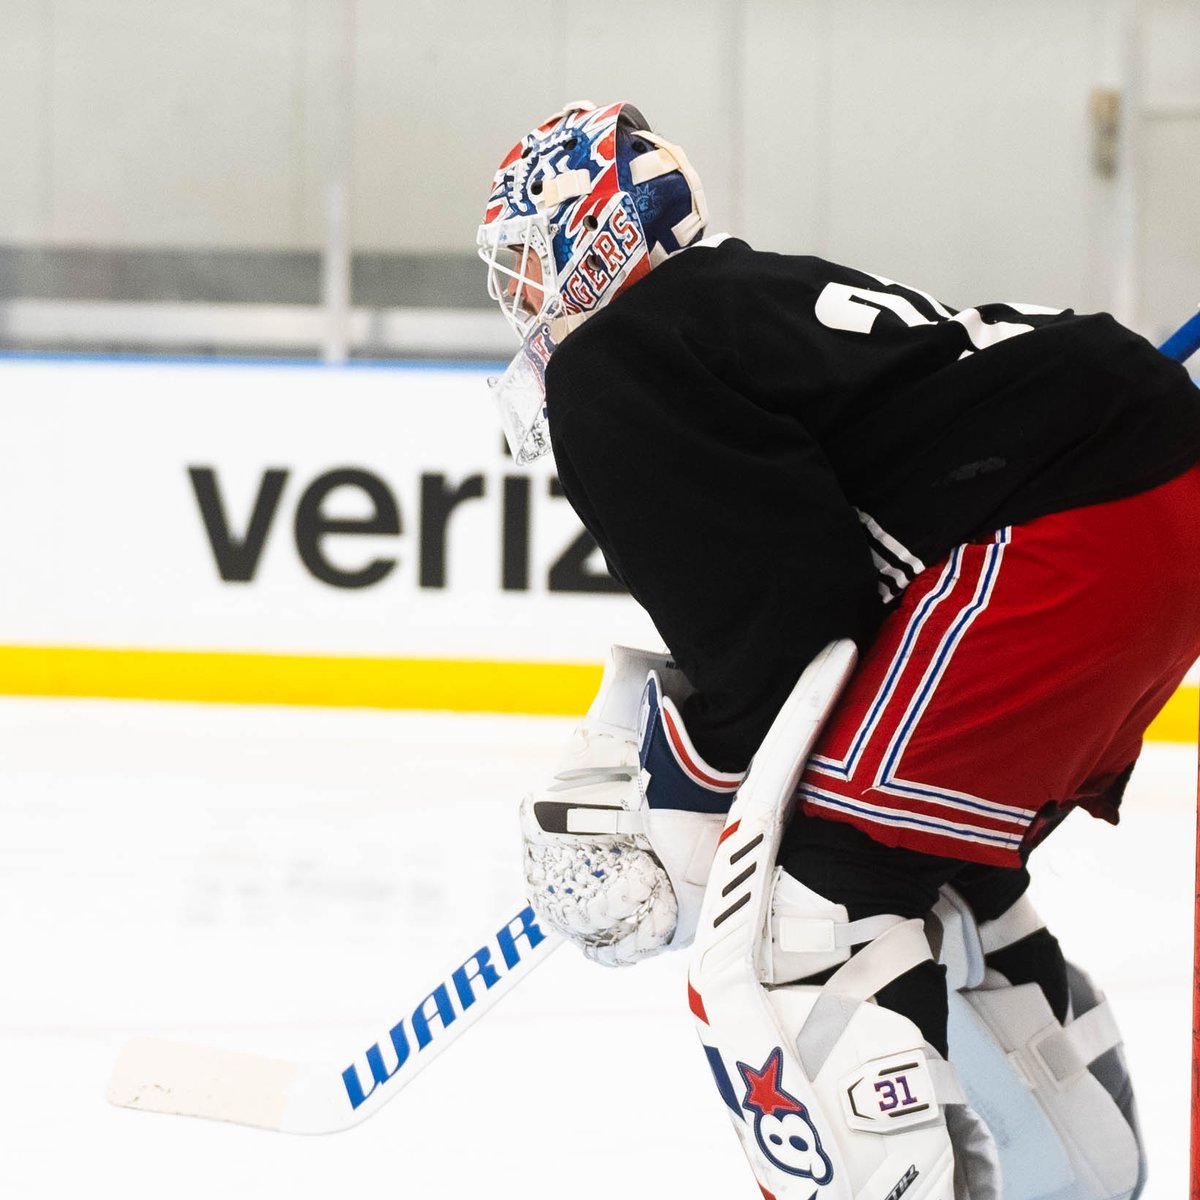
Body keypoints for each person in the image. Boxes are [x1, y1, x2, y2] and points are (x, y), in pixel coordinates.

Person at [476, 101, 1200, 1200]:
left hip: (1064, 528)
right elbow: (806, 605)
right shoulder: (726, 311)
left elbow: (790, 622)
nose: (522, 299)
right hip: (1135, 502)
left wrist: (671, 816)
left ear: (600, 235)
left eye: (529, 263)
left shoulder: (617, 358)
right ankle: (1074, 1171)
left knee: (801, 914)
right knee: (914, 856)